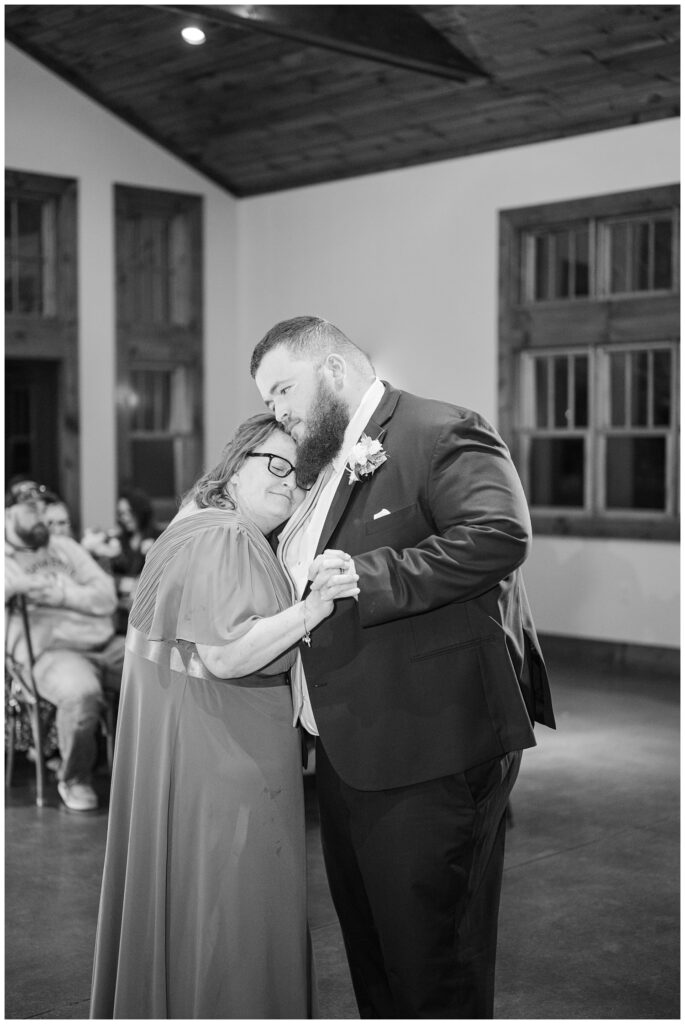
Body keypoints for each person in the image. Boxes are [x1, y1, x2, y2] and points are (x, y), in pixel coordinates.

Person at [251, 316, 556, 1019]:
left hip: (430, 743)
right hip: (348, 742)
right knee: (372, 952)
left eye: (283, 390)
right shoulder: (325, 459)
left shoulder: (438, 429)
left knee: (432, 962)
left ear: (332, 370)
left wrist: (369, 575)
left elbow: (496, 533)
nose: (278, 412)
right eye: (269, 401)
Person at [89, 413, 359, 1019]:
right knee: (232, 927)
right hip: (228, 759)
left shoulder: (192, 527)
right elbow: (228, 655)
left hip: (193, 754)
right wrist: (314, 607)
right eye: (278, 464)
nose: (291, 484)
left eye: (304, 475)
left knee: (193, 911)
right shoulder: (227, 536)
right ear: (237, 463)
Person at [5, 480, 125, 812]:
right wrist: (16, 586)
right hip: (51, 655)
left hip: (105, 644)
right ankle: (75, 779)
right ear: (7, 515)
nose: (42, 517)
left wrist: (59, 596)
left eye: (45, 509)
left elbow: (106, 597)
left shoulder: (65, 548)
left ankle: (152, 774)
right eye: (32, 511)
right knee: (80, 693)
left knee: (160, 670)